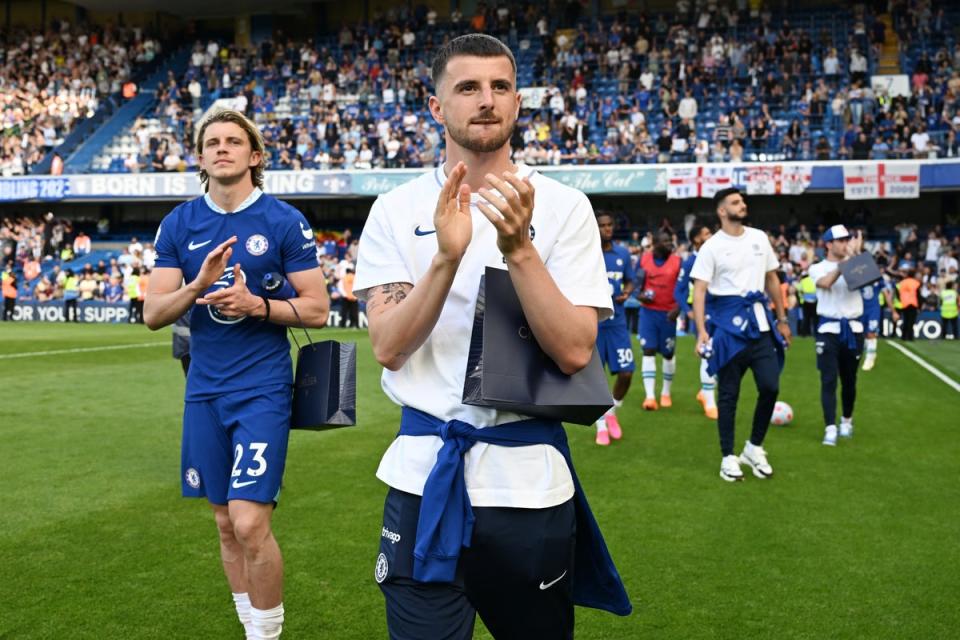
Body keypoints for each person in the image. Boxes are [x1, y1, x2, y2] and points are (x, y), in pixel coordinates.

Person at [353, 34, 630, 640]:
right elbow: (389, 347)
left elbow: (577, 349)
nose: (486, 100)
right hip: (424, 476)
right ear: (435, 105)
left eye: (500, 87)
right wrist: (445, 258)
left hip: (528, 482)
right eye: (468, 87)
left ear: (517, 101)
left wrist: (518, 249)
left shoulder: (563, 207)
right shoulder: (396, 210)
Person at [144, 108, 330, 640]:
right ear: (200, 158)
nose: (222, 148)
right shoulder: (178, 223)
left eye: (233, 141)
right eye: (212, 142)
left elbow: (317, 309)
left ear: (254, 156)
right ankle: (252, 628)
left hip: (263, 390)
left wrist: (258, 305)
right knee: (225, 524)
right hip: (203, 391)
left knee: (250, 522)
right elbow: (155, 315)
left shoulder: (283, 220)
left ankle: (265, 636)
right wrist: (195, 285)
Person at [691, 187, 792, 482]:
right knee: (728, 395)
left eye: (743, 201)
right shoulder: (711, 246)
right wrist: (701, 332)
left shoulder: (759, 238)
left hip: (760, 325)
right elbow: (699, 290)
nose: (742, 204)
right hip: (727, 328)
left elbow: (772, 278)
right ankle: (728, 457)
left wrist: (782, 319)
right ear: (722, 211)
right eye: (735, 202)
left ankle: (754, 447)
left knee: (771, 387)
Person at [809, 226, 865, 446]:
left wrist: (856, 257)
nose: (845, 244)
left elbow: (864, 280)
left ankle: (847, 420)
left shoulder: (855, 261)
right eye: (840, 241)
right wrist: (846, 262)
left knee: (849, 381)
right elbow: (825, 283)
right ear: (829, 244)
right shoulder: (817, 267)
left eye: (847, 240)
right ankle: (830, 426)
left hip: (853, 329)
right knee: (828, 379)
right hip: (828, 330)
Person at [594, 211, 635, 445]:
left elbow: (629, 280)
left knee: (627, 372)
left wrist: (627, 292)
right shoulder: (587, 253)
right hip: (594, 323)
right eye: (602, 225)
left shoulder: (622, 253)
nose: (607, 229)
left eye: (610, 225)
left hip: (618, 322)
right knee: (596, 378)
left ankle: (610, 411)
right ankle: (601, 425)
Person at [674, 220, 718, 419]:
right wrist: (688, 311)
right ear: (696, 239)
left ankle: (705, 392)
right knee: (707, 353)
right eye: (707, 232)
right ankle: (710, 401)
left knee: (722, 358)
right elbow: (679, 291)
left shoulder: (717, 255)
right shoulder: (691, 261)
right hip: (704, 316)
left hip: (721, 313)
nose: (711, 235)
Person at [637, 231, 681, 411]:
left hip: (668, 314)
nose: (669, 243)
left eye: (670, 240)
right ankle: (649, 397)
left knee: (668, 354)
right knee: (648, 350)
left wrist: (678, 309)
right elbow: (636, 285)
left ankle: (666, 392)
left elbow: (686, 287)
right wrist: (641, 297)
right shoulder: (644, 260)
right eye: (665, 241)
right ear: (654, 243)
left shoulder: (678, 262)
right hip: (648, 313)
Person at [897, 269, 921, 340]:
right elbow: (918, 295)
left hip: (904, 303)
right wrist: (919, 306)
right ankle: (910, 337)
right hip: (913, 304)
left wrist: (901, 300)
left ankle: (903, 336)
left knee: (905, 320)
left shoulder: (902, 283)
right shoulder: (916, 283)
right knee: (911, 321)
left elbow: (898, 293)